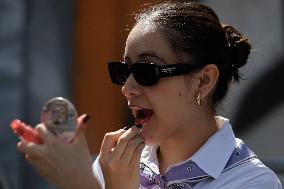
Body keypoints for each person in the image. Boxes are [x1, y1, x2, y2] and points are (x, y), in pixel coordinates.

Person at [17, 2, 282, 189]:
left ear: (203, 80)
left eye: (147, 71)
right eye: (123, 70)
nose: (127, 87)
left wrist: (82, 184)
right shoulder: (117, 165)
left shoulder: (252, 182)